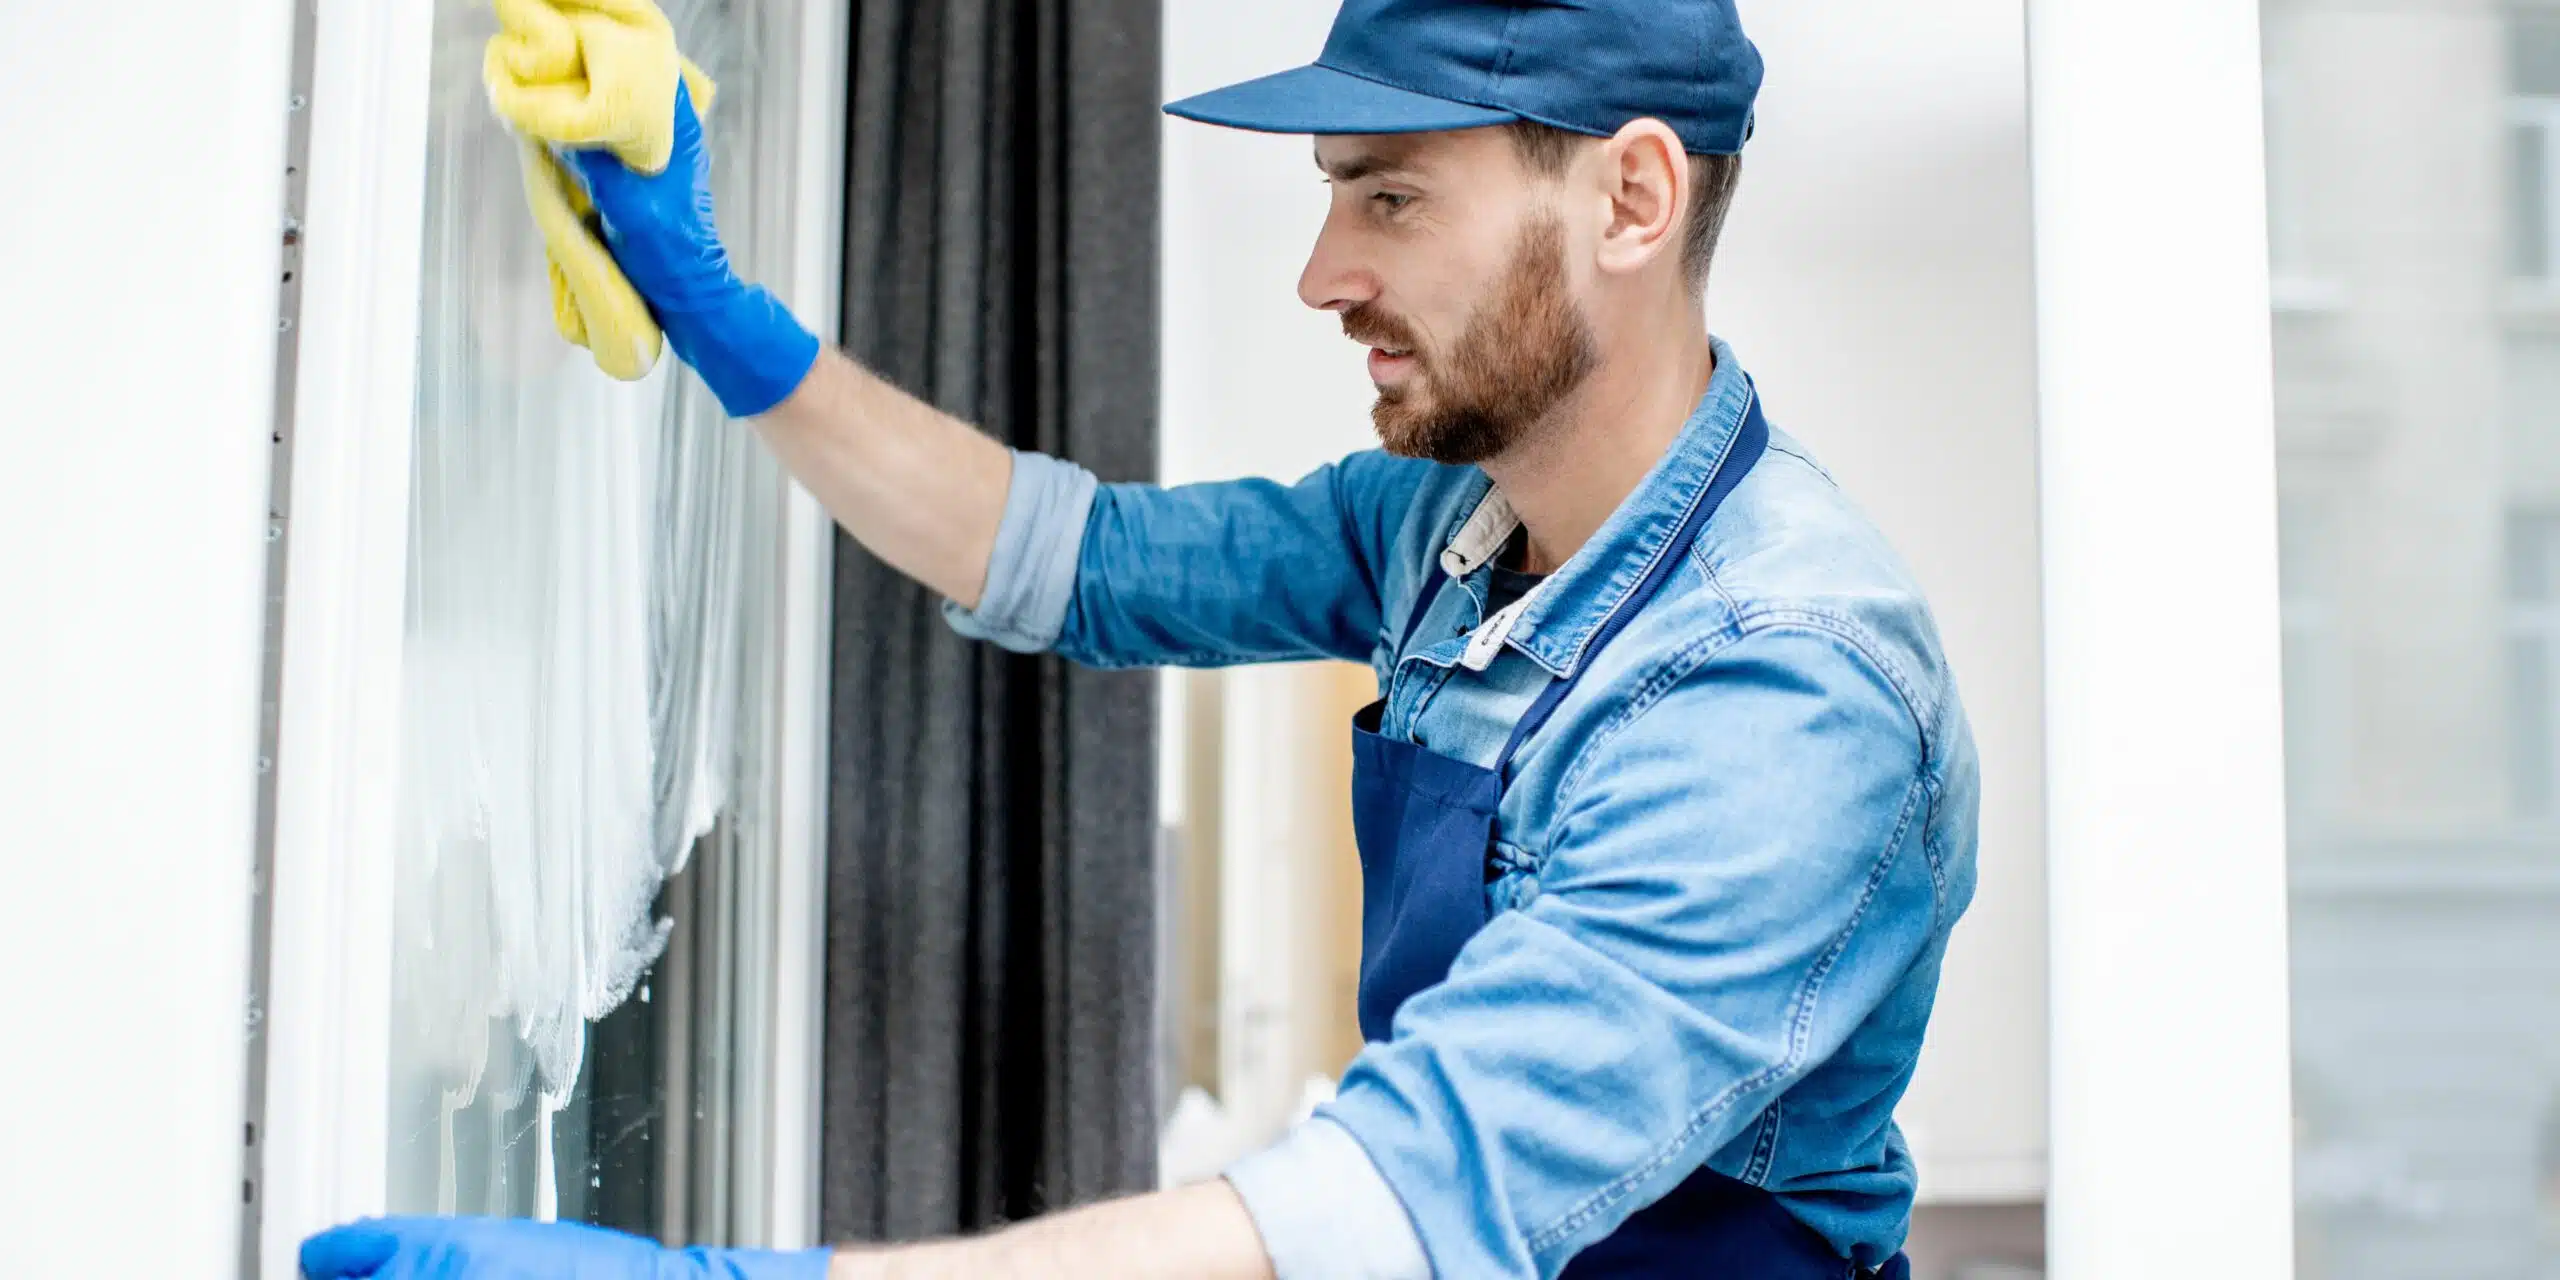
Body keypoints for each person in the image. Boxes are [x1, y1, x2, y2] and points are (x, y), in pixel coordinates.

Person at [299, 0, 1978, 1275]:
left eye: (1390, 200)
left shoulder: (1785, 685)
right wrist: (728, 324)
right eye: (1335, 199)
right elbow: (1077, 559)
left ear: (1629, 198)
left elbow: (1401, 1194)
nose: (1324, 272)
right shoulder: (1445, 529)